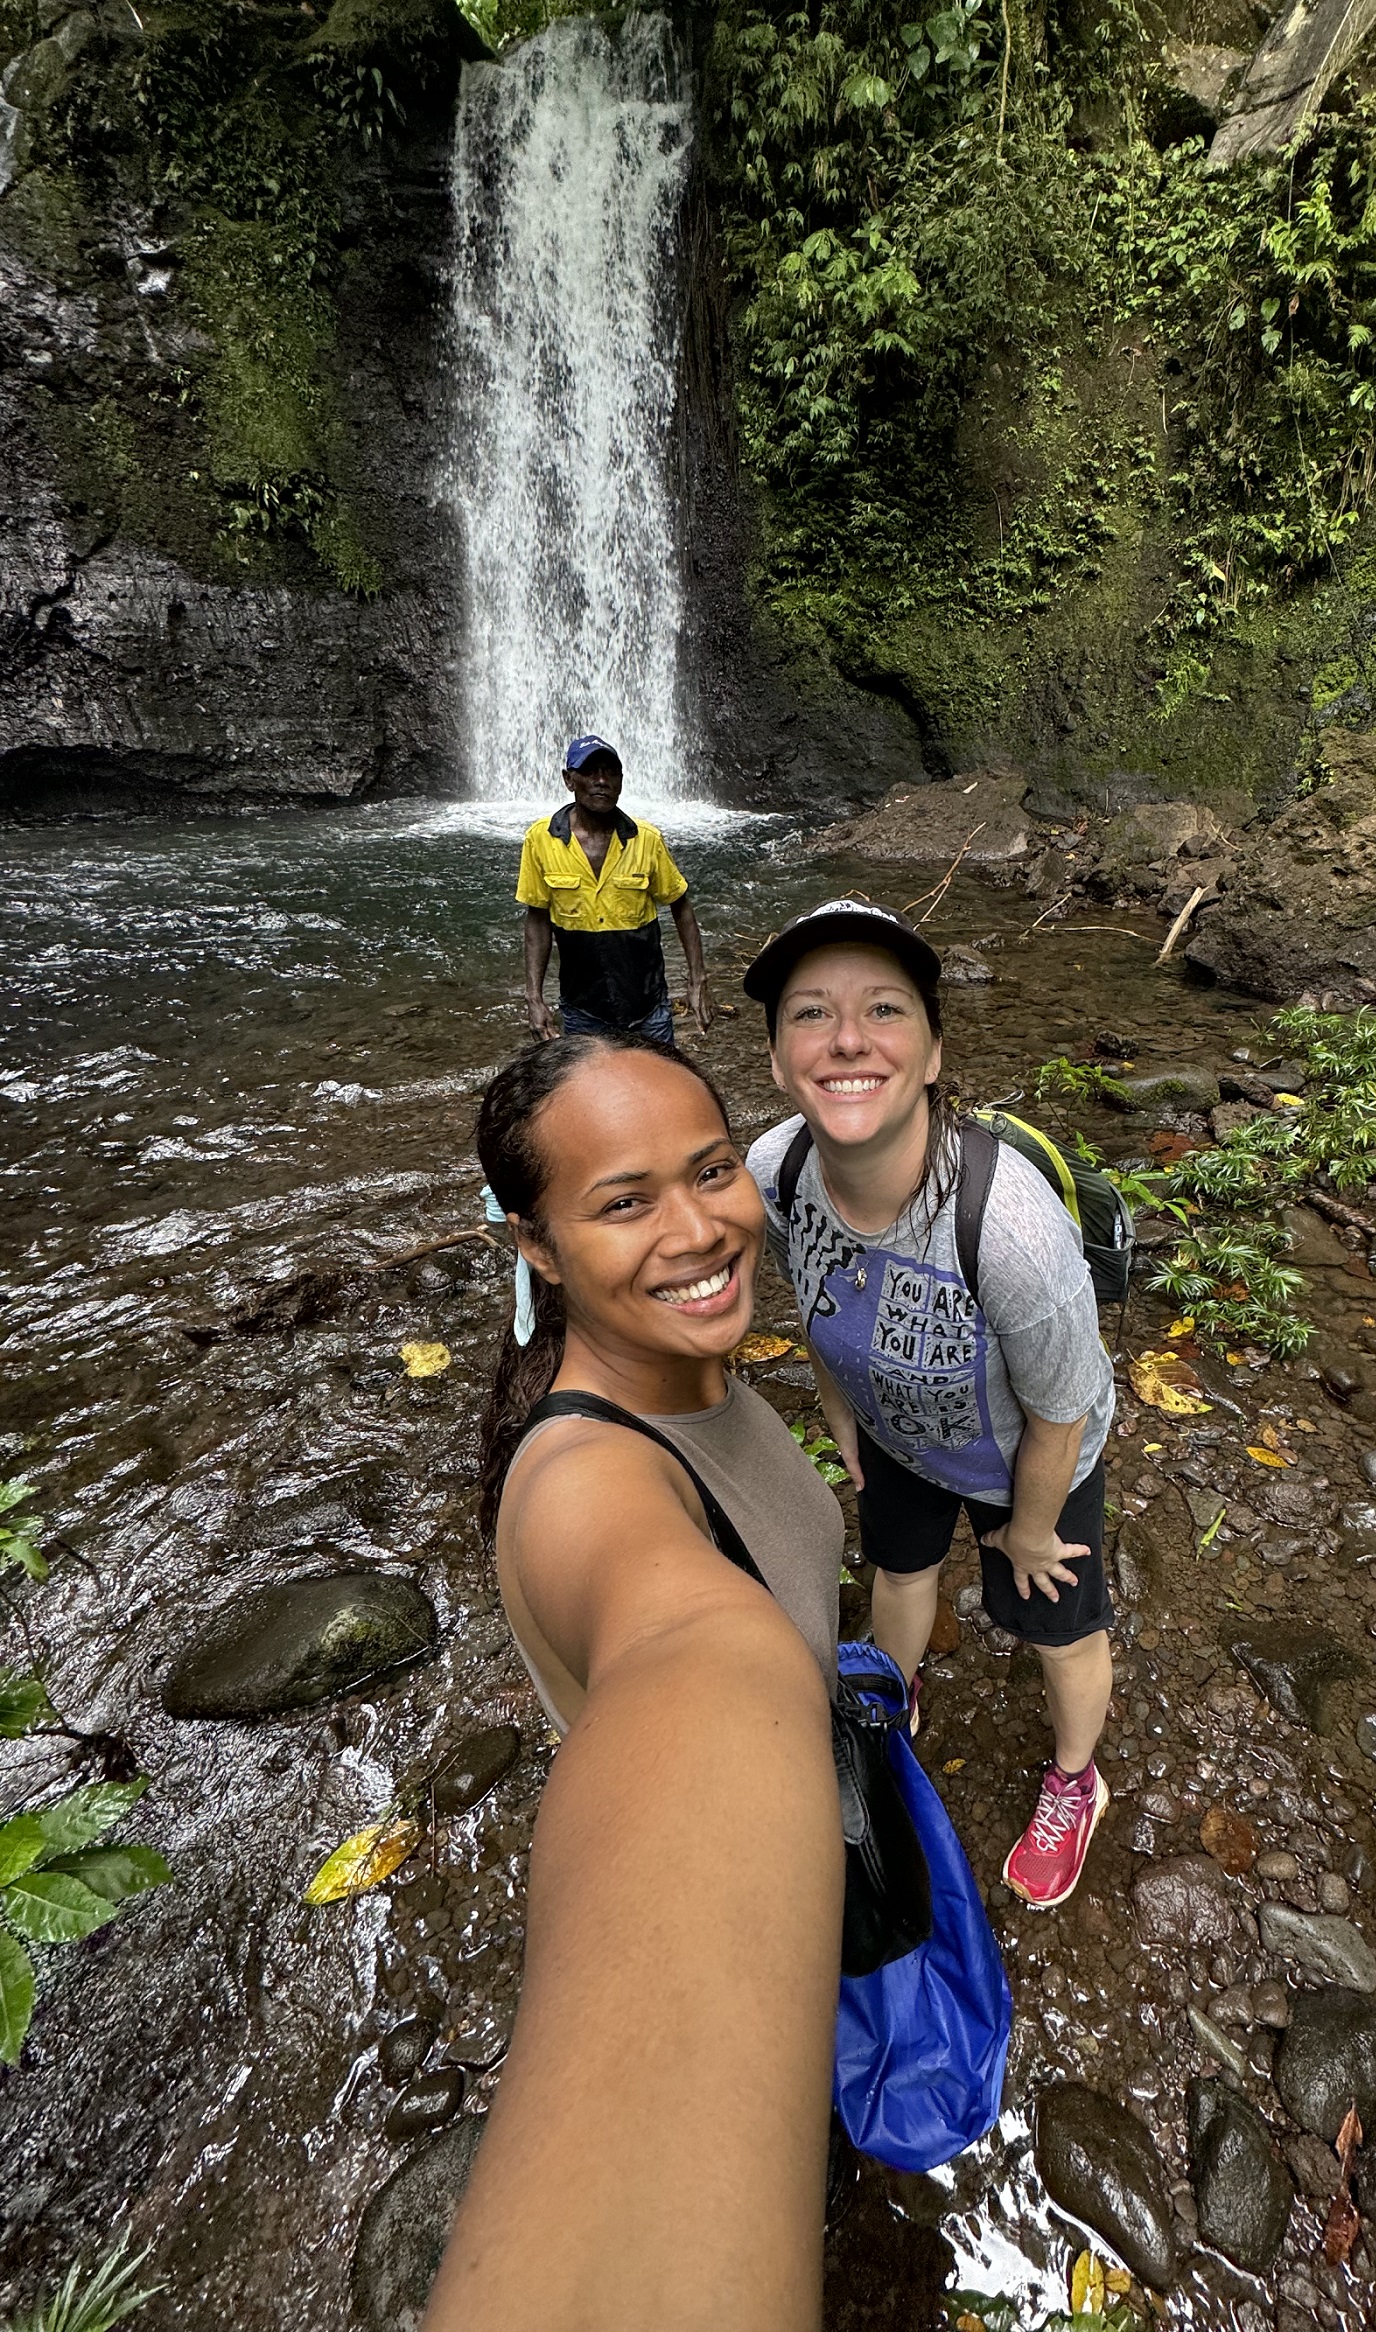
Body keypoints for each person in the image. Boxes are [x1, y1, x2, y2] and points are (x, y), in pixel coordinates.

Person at [424, 1032, 843, 2330]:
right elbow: (692, 1663)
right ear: (535, 1248)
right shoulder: (582, 1485)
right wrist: (759, 1686)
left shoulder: (682, 1370)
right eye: (622, 1201)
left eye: (710, 1169)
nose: (700, 1228)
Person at [745, 900, 1118, 1914]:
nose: (849, 1038)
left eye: (885, 1010)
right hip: (901, 1430)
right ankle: (886, 1712)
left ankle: (1074, 1780)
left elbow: (1063, 1408)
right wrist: (838, 1409)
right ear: (778, 1058)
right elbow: (811, 1295)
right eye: (812, 1014)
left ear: (935, 1051)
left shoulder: (1008, 1230)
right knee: (897, 1573)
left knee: (1053, 1630)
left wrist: (1031, 1528)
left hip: (1026, 1461)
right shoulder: (775, 1171)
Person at [518, 734, 712, 1045]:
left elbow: (681, 906)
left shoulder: (646, 840)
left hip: (648, 1008)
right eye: (590, 772)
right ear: (569, 780)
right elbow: (537, 920)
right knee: (590, 1093)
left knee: (658, 1089)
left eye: (610, 772)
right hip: (583, 1010)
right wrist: (534, 998)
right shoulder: (540, 840)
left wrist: (697, 980)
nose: (601, 781)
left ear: (621, 781)